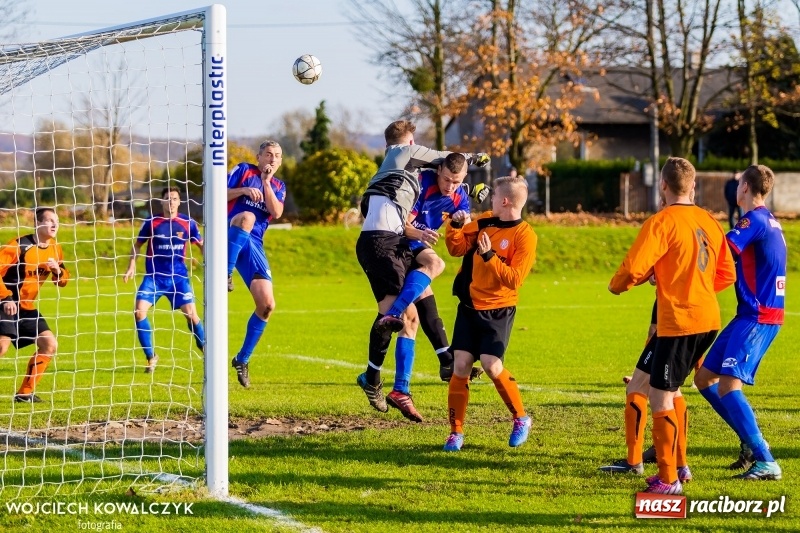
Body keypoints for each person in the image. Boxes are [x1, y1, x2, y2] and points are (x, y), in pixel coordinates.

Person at [608, 157, 736, 495]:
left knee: (661, 396)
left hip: (680, 321)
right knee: (642, 384)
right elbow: (727, 273)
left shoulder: (662, 221)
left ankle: (668, 481)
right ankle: (666, 464)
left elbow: (633, 268)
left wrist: (617, 286)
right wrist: (691, 284)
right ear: (693, 186)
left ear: (663, 185)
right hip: (704, 318)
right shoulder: (709, 220)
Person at [354, 119, 488, 422]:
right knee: (400, 313)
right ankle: (379, 377)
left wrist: (468, 193)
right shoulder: (401, 156)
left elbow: (447, 180)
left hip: (388, 243)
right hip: (384, 243)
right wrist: (473, 157)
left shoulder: (403, 175)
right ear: (408, 144)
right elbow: (441, 157)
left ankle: (393, 383)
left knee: (413, 313)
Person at [694, 164, 785, 481]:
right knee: (704, 378)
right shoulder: (769, 220)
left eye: (738, 183)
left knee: (729, 385)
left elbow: (721, 251)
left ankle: (766, 460)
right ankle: (749, 440)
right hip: (750, 314)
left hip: (758, 316)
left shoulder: (753, 220)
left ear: (744, 187)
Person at [442, 176, 537, 451]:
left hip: (498, 309)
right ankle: (456, 432)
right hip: (469, 307)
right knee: (460, 366)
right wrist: (456, 226)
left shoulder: (525, 235)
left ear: (504, 201)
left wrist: (489, 257)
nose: (490, 199)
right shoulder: (484, 221)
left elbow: (515, 279)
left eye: (494, 196)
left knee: (491, 365)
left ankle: (521, 418)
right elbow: (456, 248)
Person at [405, 153, 487, 383]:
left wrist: (460, 223)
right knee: (434, 266)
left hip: (417, 244)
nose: (450, 186)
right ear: (439, 170)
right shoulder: (423, 183)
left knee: (426, 309)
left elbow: (465, 236)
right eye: (447, 179)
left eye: (456, 182)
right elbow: (402, 224)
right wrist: (420, 233)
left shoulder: (460, 197)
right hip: (399, 243)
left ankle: (447, 364)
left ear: (464, 178)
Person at [123, 187, 205, 373]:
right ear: (162, 201)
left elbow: (200, 244)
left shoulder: (188, 223)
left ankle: (204, 347)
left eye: (174, 198)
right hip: (154, 278)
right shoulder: (152, 222)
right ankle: (151, 357)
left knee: (191, 315)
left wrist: (210, 258)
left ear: (179, 202)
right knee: (139, 312)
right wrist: (131, 265)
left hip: (178, 278)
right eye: (168, 198)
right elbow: (137, 245)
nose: (171, 202)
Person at [226, 140, 286, 388]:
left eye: (277, 156)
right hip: (230, 231)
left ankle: (242, 359)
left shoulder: (278, 185)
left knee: (267, 305)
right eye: (268, 154)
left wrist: (265, 183)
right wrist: (243, 190)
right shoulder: (243, 170)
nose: (273, 159)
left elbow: (277, 212)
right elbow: (219, 194)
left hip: (254, 244)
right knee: (248, 217)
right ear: (259, 157)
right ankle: (225, 272)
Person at [0, 207, 69, 403]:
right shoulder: (19, 245)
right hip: (5, 303)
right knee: (2, 347)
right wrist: (5, 298)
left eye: (57, 221)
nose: (55, 224)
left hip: (26, 308)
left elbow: (63, 281)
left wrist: (57, 271)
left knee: (49, 344)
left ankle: (24, 394)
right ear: (37, 223)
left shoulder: (55, 248)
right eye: (50, 220)